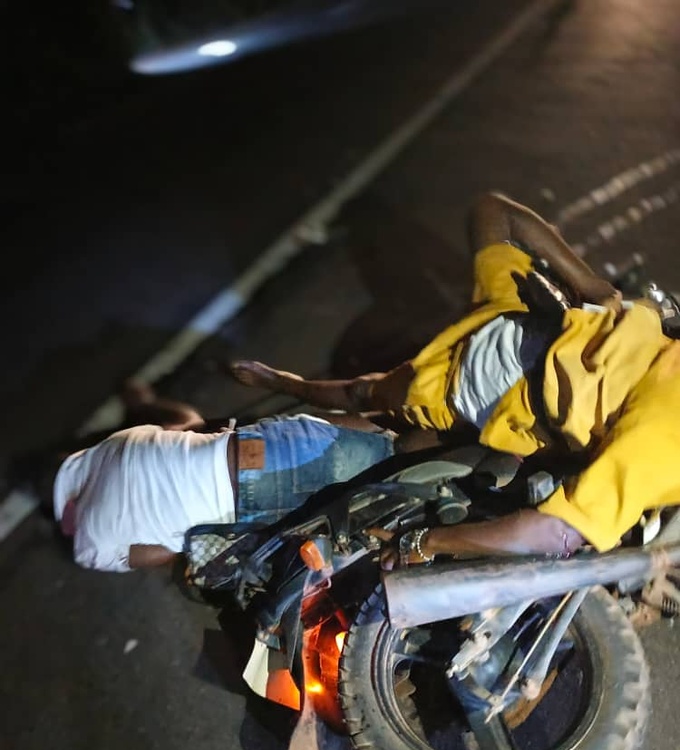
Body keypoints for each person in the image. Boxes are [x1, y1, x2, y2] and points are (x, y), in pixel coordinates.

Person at [230, 191, 680, 566]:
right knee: (390, 430)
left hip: (536, 324)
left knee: (380, 413)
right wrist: (425, 544)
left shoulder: (502, 300)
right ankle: (276, 413)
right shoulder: (432, 389)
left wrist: (596, 289)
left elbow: (493, 209)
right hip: (485, 389)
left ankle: (277, 404)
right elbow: (556, 531)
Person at [50, 384, 396, 573]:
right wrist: (149, 403)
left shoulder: (88, 548)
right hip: (263, 448)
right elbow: (188, 424)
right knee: (392, 437)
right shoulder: (116, 443)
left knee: (379, 499)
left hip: (254, 503)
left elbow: (165, 553)